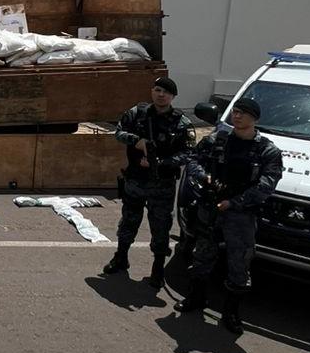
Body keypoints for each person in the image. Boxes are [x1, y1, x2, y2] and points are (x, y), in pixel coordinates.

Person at [174, 98, 283, 336]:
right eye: (235, 111)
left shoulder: (267, 150)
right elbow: (192, 160)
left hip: (240, 216)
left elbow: (267, 185)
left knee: (239, 264)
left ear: (255, 118)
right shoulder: (218, 141)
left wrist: (234, 203)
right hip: (211, 209)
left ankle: (231, 313)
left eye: (243, 113)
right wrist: (205, 178)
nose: (237, 116)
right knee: (201, 256)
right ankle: (196, 298)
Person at [103, 77, 196, 289]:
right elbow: (118, 132)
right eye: (157, 90)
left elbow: (190, 153)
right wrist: (137, 141)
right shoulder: (137, 113)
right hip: (136, 179)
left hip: (161, 184)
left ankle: (157, 267)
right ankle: (121, 256)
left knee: (161, 226)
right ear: (152, 91)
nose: (160, 94)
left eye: (166, 92)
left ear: (173, 97)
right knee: (128, 220)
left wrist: (161, 163)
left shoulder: (182, 123)